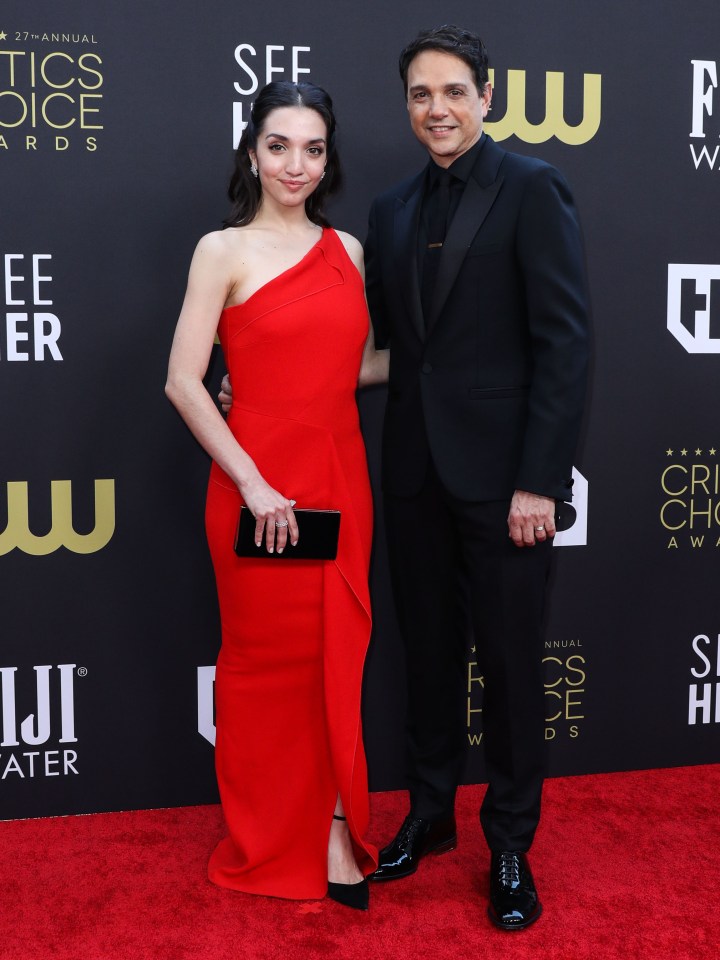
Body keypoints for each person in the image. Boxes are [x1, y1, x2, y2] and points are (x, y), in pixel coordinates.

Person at [363, 25, 589, 929]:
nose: (437, 109)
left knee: (507, 663)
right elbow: (386, 347)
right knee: (426, 654)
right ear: (407, 104)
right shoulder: (390, 209)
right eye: (420, 94)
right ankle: (429, 813)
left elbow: (565, 344)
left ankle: (508, 845)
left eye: (453, 91)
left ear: (487, 96)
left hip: (507, 485)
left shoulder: (533, 188)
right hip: (414, 469)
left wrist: (541, 481)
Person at [166, 80, 387, 910]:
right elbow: (185, 383)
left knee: (339, 658)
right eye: (280, 146)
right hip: (256, 488)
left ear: (328, 160)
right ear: (252, 153)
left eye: (314, 149)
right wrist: (254, 483)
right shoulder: (220, 250)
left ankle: (333, 826)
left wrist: (451, 351)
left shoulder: (350, 251)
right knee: (264, 668)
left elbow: (354, 369)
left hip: (339, 476)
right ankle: (266, 837)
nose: (296, 164)